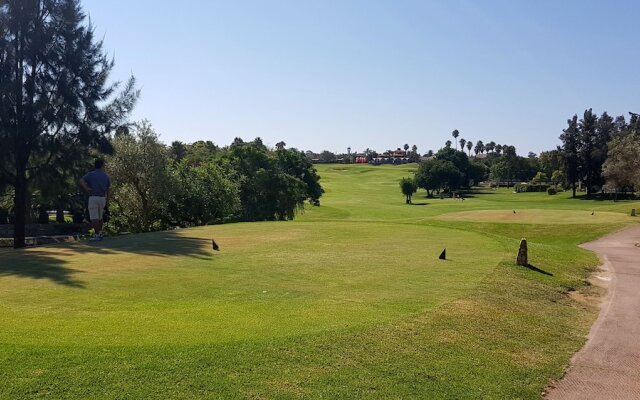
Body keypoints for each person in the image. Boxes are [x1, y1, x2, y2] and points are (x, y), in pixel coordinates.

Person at [79, 159, 110, 241]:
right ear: (102, 165)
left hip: (93, 197)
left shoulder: (91, 175)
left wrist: (87, 189)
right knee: (100, 217)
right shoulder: (106, 176)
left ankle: (97, 235)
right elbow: (108, 190)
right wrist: (107, 200)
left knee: (94, 218)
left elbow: (81, 180)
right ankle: (100, 233)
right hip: (102, 198)